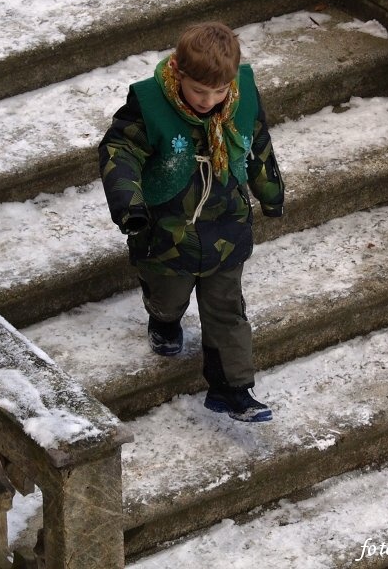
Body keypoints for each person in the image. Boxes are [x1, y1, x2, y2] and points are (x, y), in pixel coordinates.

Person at [98, 22, 284, 422]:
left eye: (219, 91)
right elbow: (120, 149)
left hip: (226, 225)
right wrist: (129, 202)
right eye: (199, 91)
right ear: (179, 73)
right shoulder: (149, 104)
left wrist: (270, 192)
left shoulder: (240, 97)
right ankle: (162, 319)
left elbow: (257, 141)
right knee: (170, 297)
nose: (210, 100)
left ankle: (233, 391)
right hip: (167, 231)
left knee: (227, 310)